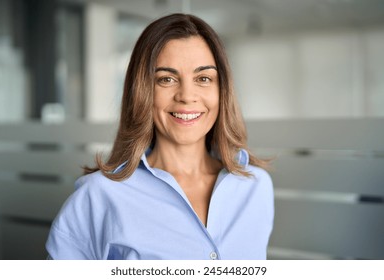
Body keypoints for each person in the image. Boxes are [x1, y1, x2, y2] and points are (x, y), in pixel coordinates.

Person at [46, 13, 274, 260]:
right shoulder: (99, 196)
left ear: (222, 91)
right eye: (167, 79)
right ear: (143, 92)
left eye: (203, 78)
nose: (187, 95)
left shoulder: (255, 186)